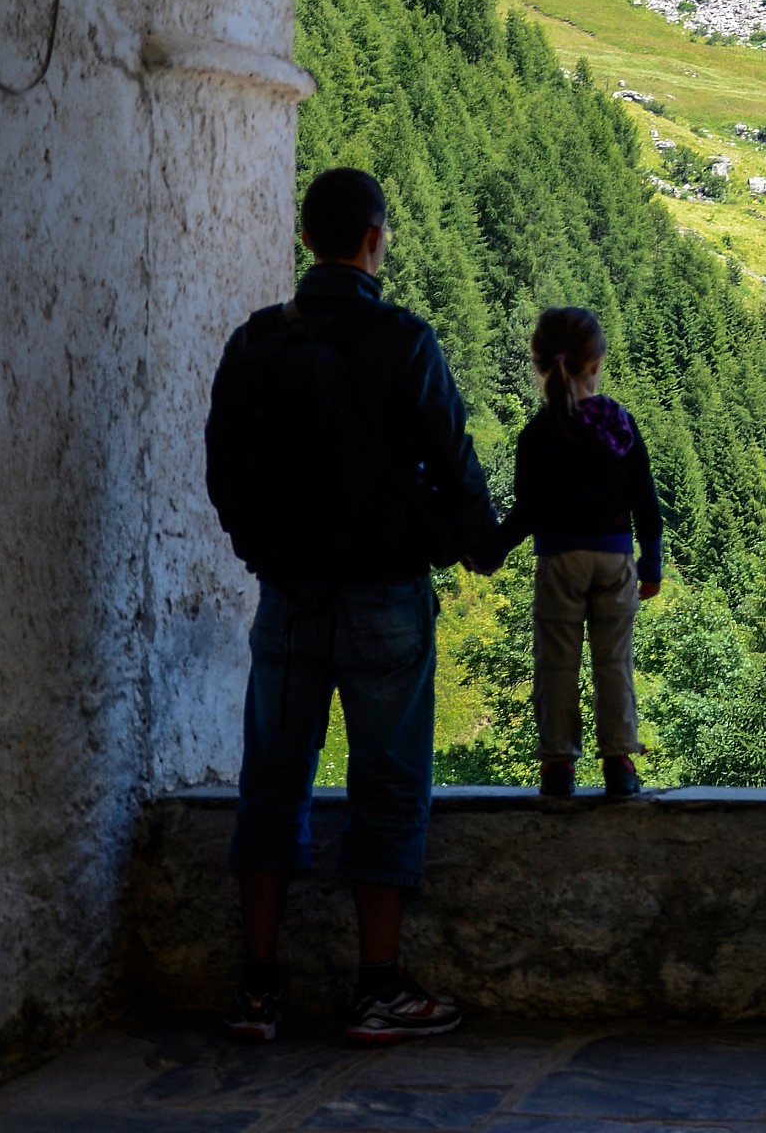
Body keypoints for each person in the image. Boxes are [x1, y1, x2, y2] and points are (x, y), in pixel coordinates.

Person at [205, 167, 499, 1046]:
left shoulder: (254, 342)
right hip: (385, 598)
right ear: (375, 239)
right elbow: (453, 460)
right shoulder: (404, 340)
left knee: (272, 780)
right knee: (389, 783)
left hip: (286, 599)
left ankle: (258, 989)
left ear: (307, 239)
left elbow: (222, 470)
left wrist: (265, 556)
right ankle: (380, 988)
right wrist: (475, 542)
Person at [495, 306, 663, 800]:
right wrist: (650, 564)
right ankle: (619, 764)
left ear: (541, 364)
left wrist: (488, 551)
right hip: (615, 561)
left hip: (560, 562)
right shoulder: (618, 423)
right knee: (614, 661)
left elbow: (525, 514)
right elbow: (645, 502)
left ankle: (558, 768)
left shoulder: (539, 432)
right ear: (596, 363)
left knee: (557, 664)